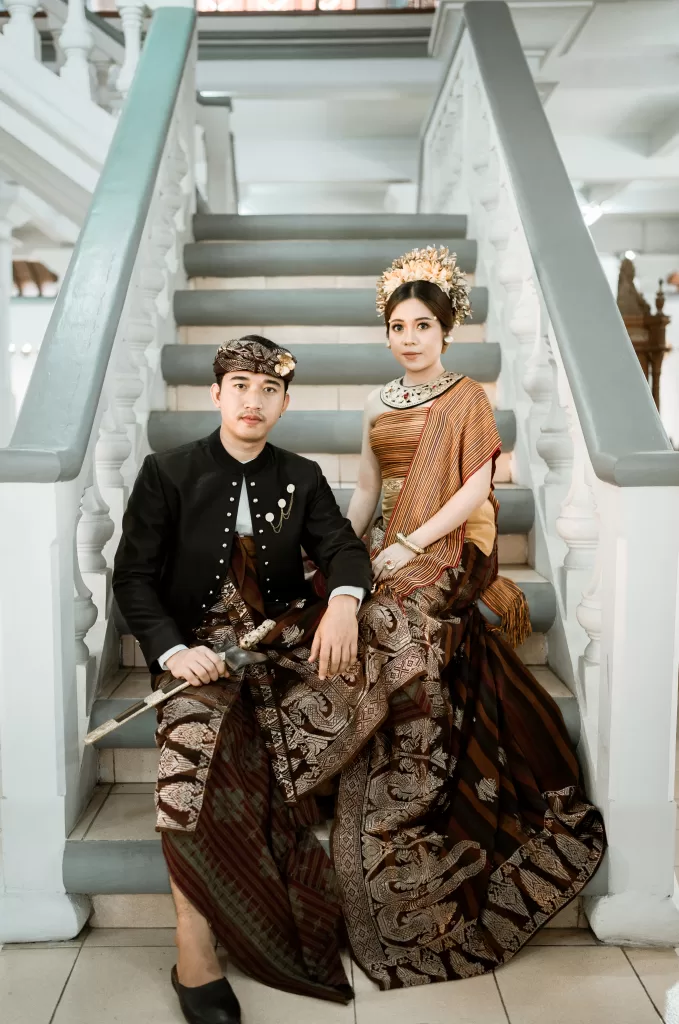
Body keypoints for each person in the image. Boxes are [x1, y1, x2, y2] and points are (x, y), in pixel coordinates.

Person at [335, 247, 606, 986]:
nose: (409, 338)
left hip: (447, 547)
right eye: (398, 326)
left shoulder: (467, 399)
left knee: (404, 624)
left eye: (422, 325)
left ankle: (409, 774)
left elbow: (471, 491)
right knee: (339, 618)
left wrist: (408, 546)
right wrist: (347, 555)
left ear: (445, 329)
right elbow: (366, 488)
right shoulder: (376, 403)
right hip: (386, 544)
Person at [112, 335, 373, 1022]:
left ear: (283, 404)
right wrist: (172, 651)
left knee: (377, 666)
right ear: (215, 394)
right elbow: (132, 578)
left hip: (278, 643)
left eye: (268, 390)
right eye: (240, 386)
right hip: (195, 651)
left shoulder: (302, 475)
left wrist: (343, 602)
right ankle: (193, 941)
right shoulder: (167, 472)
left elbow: (342, 549)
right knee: (194, 736)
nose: (253, 400)